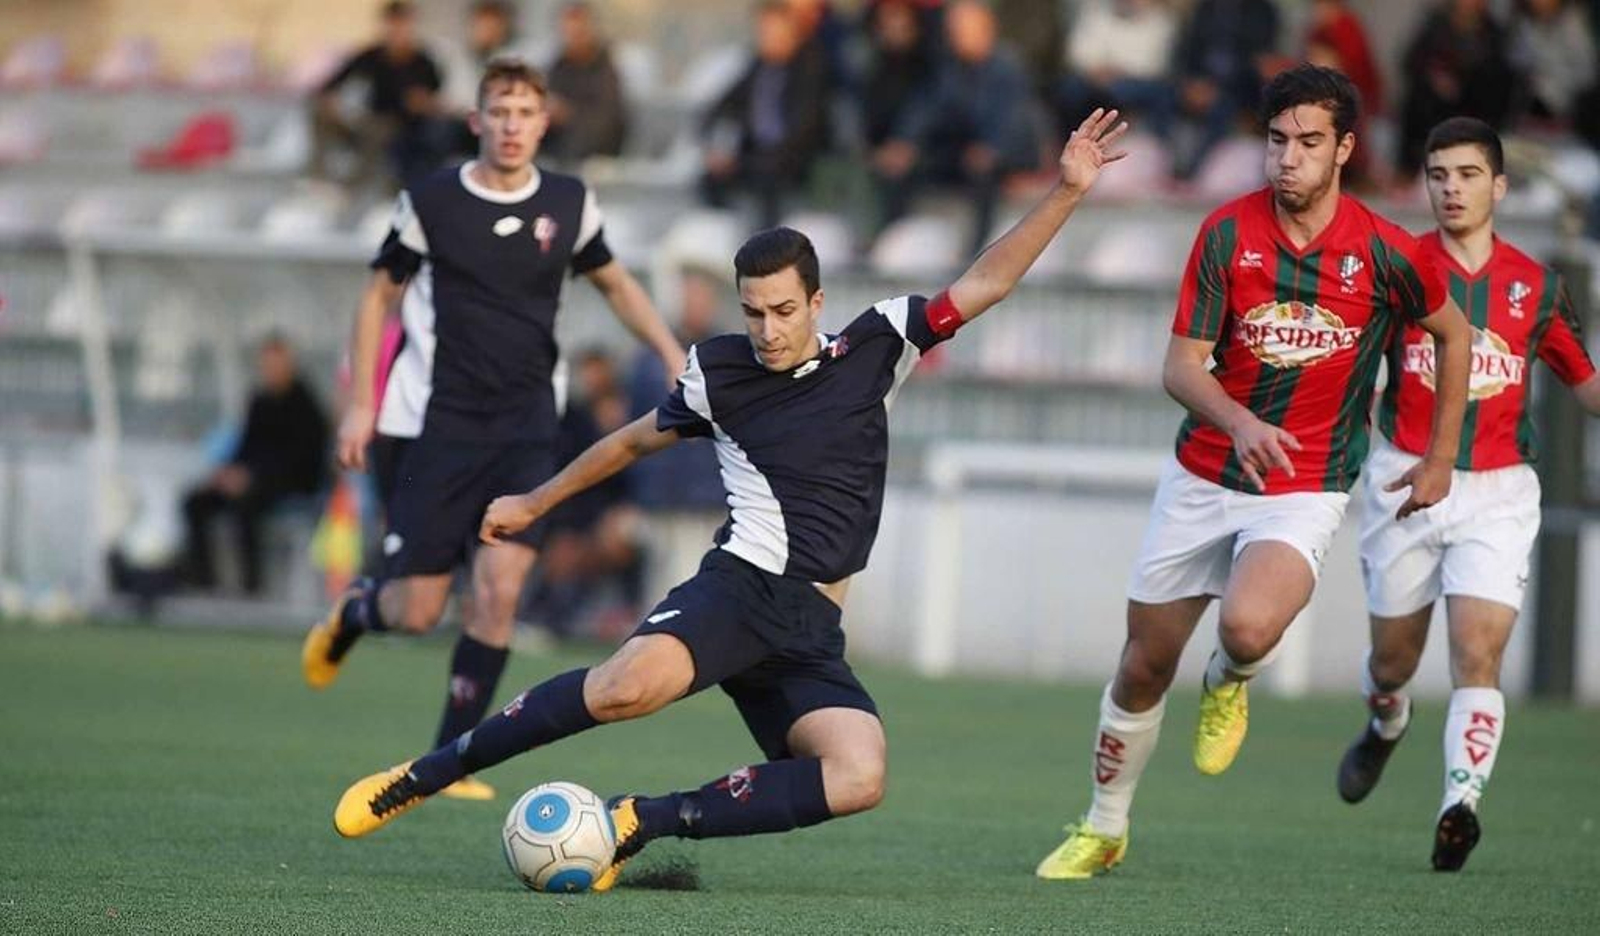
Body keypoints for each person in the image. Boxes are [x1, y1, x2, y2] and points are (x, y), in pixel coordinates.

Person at [329, 111, 1133, 891]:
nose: (768, 330)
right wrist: (536, 502)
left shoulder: (879, 344)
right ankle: (426, 773)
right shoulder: (718, 371)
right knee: (620, 692)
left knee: (859, 775)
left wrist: (1065, 192)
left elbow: (986, 282)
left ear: (817, 302)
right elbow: (634, 440)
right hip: (741, 592)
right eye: (752, 312)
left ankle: (642, 820)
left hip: (810, 627)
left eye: (783, 311)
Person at [1034, 64, 1473, 881]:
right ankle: (1105, 827)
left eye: (1309, 142)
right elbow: (1180, 367)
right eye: (1276, 141)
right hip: (1203, 475)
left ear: (1344, 148)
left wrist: (1441, 457)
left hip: (1305, 487)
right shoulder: (1227, 234)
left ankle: (1231, 678)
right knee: (1141, 665)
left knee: (1246, 626)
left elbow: (1452, 334)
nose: (1288, 158)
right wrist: (1238, 421)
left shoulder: (1384, 251)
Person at [301, 58, 685, 805]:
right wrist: (361, 403)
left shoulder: (570, 204)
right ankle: (354, 612)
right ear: (476, 121)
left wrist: (671, 354)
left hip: (525, 427)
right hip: (435, 423)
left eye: (525, 112)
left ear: (545, 123)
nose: (512, 126)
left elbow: (616, 283)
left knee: (500, 590)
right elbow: (377, 299)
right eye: (499, 112)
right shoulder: (433, 201)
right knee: (415, 611)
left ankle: (449, 760)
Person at [1336, 117, 1600, 872]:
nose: (1452, 189)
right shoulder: (1398, 267)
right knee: (1393, 661)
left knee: (1476, 654)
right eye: (1439, 175)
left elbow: (1586, 388)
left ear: (1500, 185)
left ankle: (1460, 805)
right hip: (1406, 481)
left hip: (1498, 492)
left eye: (1469, 174)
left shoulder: (1534, 287)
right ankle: (1386, 723)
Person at [872, 0, 1039, 258]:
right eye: (953, 29)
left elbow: (1015, 120)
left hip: (1000, 154)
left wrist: (994, 150)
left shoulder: (1007, 69)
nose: (956, 36)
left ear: (986, 29)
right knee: (899, 168)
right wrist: (905, 142)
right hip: (956, 153)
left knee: (984, 172)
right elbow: (924, 109)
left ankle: (978, 251)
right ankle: (889, 235)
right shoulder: (947, 68)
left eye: (963, 28)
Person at [182, 335, 328, 596]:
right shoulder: (259, 401)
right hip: (251, 479)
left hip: (290, 484)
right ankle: (203, 581)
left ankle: (252, 586)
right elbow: (246, 447)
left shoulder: (306, 405)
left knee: (246, 505)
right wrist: (226, 473)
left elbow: (301, 460)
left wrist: (251, 476)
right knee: (195, 501)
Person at [700, 0, 831, 228]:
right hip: (754, 154)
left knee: (768, 175)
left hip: (794, 158)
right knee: (710, 179)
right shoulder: (757, 67)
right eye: (763, 31)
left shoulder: (811, 67)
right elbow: (720, 107)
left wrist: (752, 157)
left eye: (774, 30)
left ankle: (768, 249)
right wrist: (718, 148)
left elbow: (806, 127)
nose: (767, 37)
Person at [311, 0, 445, 190]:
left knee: (381, 130)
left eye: (402, 25)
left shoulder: (423, 62)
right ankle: (320, 177)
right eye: (393, 25)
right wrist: (330, 100)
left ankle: (356, 185)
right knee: (320, 112)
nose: (397, 32)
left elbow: (436, 100)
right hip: (367, 120)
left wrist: (422, 103)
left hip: (403, 128)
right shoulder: (371, 55)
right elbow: (331, 84)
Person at [1396, 0, 1515, 181]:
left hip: (1476, 102)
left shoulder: (1494, 33)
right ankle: (1410, 168)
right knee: (1418, 98)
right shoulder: (1436, 25)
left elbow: (1500, 74)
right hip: (1437, 103)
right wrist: (1438, 77)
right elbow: (1412, 62)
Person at [1168, 0, 1280, 181]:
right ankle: (1169, 160)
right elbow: (1188, 49)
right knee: (1163, 99)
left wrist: (1216, 87)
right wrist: (1192, 82)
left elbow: (1261, 57)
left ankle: (1191, 169)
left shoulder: (1262, 9)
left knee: (1220, 109)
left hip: (1240, 83)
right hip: (1200, 80)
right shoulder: (1205, 7)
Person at [543, 1, 629, 163]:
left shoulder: (605, 69)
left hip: (596, 150)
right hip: (556, 144)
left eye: (578, 32)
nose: (572, 38)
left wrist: (567, 115)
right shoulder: (558, 65)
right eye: (567, 32)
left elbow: (607, 121)